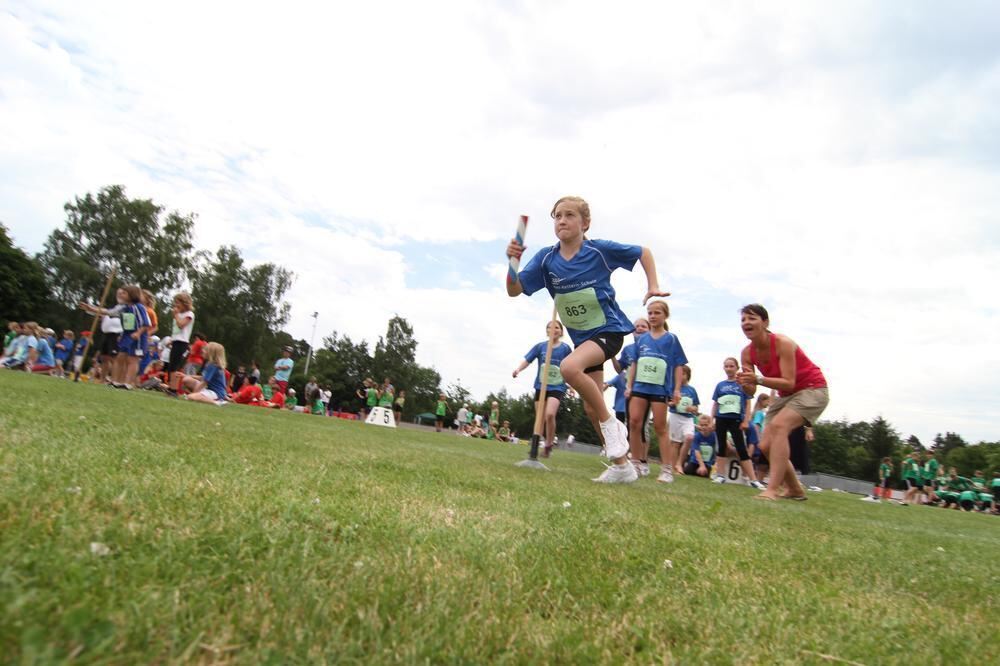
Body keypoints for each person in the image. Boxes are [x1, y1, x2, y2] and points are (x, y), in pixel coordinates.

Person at [507, 195, 669, 483]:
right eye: (557, 216)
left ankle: (612, 428)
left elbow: (643, 251)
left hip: (609, 331)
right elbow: (514, 289)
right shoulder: (546, 259)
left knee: (569, 369)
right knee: (591, 407)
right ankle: (622, 466)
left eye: (569, 215)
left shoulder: (599, 251)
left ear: (585, 223)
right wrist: (512, 263)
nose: (562, 220)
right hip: (584, 341)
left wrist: (653, 284)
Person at [737, 304, 828, 501]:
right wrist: (745, 383)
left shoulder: (782, 343)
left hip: (812, 389)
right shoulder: (746, 353)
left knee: (779, 427)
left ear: (765, 322)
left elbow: (789, 381)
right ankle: (795, 489)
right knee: (766, 445)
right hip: (787, 395)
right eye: (743, 320)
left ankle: (771, 490)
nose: (746, 323)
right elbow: (751, 390)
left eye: (751, 318)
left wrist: (757, 379)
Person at [624, 300, 686, 482]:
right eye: (650, 313)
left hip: (659, 389)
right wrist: (629, 385)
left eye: (656, 313)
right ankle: (635, 463)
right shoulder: (641, 339)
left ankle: (667, 469)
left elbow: (678, 365)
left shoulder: (671, 339)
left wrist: (676, 389)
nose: (652, 316)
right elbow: (634, 363)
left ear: (665, 315)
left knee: (660, 426)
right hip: (639, 387)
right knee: (634, 423)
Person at [513, 321, 573, 458]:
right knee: (539, 417)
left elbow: (570, 367)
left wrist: (572, 386)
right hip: (541, 385)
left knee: (550, 414)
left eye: (556, 327)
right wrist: (518, 369)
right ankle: (534, 447)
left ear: (561, 331)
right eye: (550, 327)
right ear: (546, 331)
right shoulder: (540, 347)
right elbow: (528, 360)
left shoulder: (566, 349)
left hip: (558, 386)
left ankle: (548, 444)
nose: (553, 329)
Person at [80, 285, 150, 388]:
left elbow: (146, 323)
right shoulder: (123, 307)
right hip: (127, 335)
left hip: (137, 336)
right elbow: (108, 312)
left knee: (132, 359)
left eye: (124, 293)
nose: (121, 295)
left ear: (132, 295)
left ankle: (128, 383)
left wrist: (138, 333)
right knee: (120, 357)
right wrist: (91, 308)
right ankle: (116, 381)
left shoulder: (138, 307)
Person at [712, 357, 765, 489]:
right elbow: (716, 403)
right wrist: (712, 419)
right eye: (726, 366)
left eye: (731, 366)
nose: (729, 369)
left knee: (742, 449)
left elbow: (747, 403)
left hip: (736, 419)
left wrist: (746, 420)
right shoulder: (720, 385)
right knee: (721, 446)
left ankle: (753, 480)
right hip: (721, 418)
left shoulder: (742, 384)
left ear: (737, 368)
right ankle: (720, 475)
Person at [613, 317, 650, 449]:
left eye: (643, 326)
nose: (639, 328)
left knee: (642, 426)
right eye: (636, 326)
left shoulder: (652, 347)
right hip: (630, 391)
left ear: (649, 330)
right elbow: (619, 369)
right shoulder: (628, 349)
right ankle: (628, 455)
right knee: (631, 424)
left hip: (646, 390)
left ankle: (642, 460)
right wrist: (612, 355)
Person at [669, 365, 700, 475]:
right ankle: (674, 467)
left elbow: (696, 407)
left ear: (687, 375)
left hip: (688, 418)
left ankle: (679, 463)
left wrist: (693, 409)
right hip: (675, 416)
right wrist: (673, 403)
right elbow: (667, 402)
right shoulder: (673, 388)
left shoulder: (692, 390)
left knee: (689, 437)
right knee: (675, 443)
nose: (681, 376)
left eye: (683, 374)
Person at [166, 293, 195, 391]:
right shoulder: (179, 314)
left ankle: (174, 389)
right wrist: (171, 339)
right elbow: (176, 330)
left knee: (175, 366)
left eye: (178, 303)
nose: (176, 305)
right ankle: (171, 387)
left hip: (182, 343)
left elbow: (181, 325)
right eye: (175, 303)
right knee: (171, 365)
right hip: (176, 341)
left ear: (185, 303)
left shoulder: (189, 314)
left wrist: (176, 315)